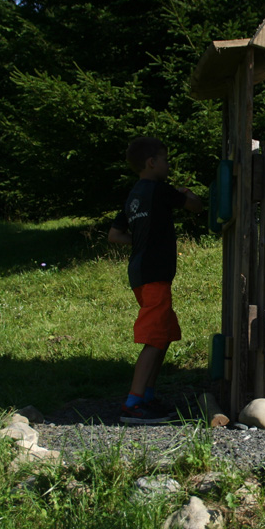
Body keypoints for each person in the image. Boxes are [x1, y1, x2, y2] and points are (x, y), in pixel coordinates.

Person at [108, 137, 202, 424]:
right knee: (153, 338)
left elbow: (114, 235)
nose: (168, 165)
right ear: (152, 162)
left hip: (139, 273)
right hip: (155, 275)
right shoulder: (160, 190)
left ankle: (147, 395)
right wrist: (186, 192)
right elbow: (196, 207)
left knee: (163, 335)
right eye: (165, 160)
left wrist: (140, 242)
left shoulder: (134, 195)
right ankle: (133, 403)